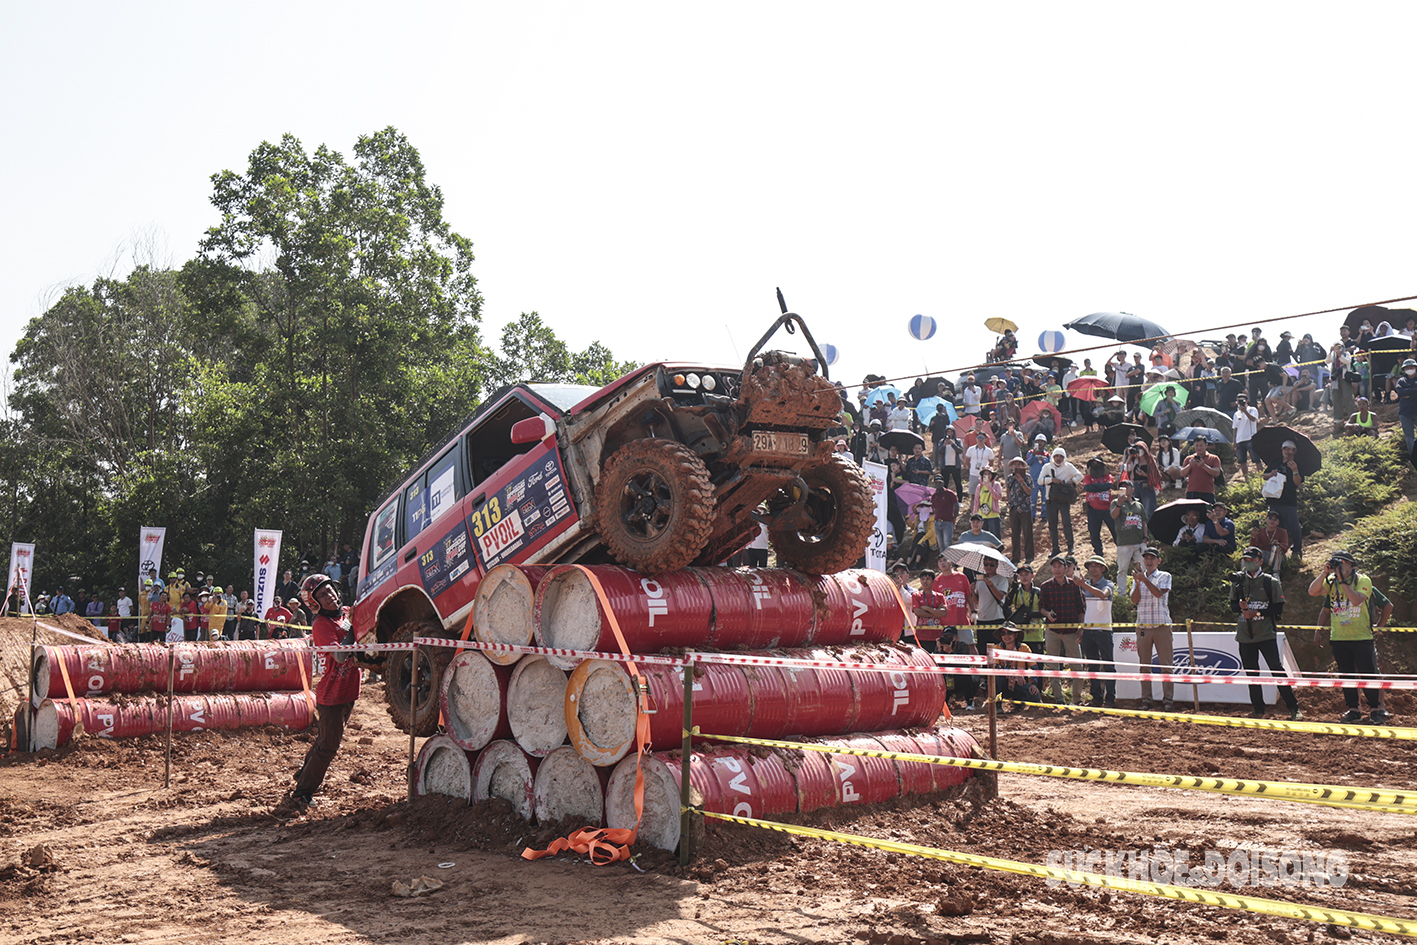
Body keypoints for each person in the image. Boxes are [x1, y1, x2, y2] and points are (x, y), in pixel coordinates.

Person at [274, 575, 366, 819]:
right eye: (324, 595)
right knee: (328, 746)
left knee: (325, 739)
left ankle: (303, 773)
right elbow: (338, 655)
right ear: (315, 603)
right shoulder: (321, 625)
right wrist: (350, 624)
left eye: (331, 591)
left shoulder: (346, 612)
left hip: (348, 691)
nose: (331, 596)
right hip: (332, 696)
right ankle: (302, 792)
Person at [1307, 550, 1387, 723]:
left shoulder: (1363, 580)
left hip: (1362, 637)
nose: (1339, 565)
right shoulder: (1331, 581)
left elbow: (1357, 599)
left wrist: (1342, 581)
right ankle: (1353, 709)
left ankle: (1375, 709)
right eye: (1336, 561)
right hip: (1339, 637)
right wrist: (1324, 572)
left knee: (1368, 674)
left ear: (1352, 565)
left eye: (1342, 562)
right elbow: (1312, 592)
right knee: (1346, 675)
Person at [1231, 547, 1301, 720]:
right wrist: (1240, 607)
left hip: (1266, 634)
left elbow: (1278, 609)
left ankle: (1293, 708)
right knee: (1251, 672)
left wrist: (1256, 613)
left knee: (1277, 670)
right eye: (1246, 560)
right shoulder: (1238, 581)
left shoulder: (1271, 582)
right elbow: (1232, 606)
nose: (1248, 563)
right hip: (1245, 635)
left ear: (1260, 561)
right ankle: (1258, 708)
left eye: (1252, 560)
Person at [1129, 546, 1175, 711]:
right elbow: (1134, 600)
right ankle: (1146, 700)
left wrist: (1144, 580)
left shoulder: (1164, 576)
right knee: (1144, 666)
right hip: (1143, 626)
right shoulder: (1138, 578)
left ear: (1158, 561)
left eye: (1152, 558)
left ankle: (1168, 700)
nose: (1149, 561)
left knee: (1166, 665)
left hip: (1162, 626)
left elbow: (1158, 593)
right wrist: (1137, 582)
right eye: (1146, 558)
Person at [931, 557, 978, 711]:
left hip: (962, 620)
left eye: (945, 560)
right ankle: (950, 693)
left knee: (970, 647)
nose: (942, 563)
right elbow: (936, 603)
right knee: (945, 655)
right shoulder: (937, 581)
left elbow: (969, 595)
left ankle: (978, 676)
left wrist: (974, 611)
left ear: (951, 562)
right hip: (946, 623)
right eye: (940, 561)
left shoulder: (961, 577)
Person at [1039, 554, 1085, 704]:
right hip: (1052, 631)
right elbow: (1041, 608)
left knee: (1077, 666)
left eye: (1060, 566)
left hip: (1071, 632)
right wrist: (1047, 614)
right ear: (1051, 568)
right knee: (1053, 667)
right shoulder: (1045, 586)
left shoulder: (1074, 585)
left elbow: (1081, 608)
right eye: (1054, 566)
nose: (1057, 569)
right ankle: (1059, 700)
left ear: (1066, 568)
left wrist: (1081, 627)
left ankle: (1076, 700)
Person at [1079, 556, 1116, 708]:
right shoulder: (1085, 585)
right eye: (1091, 566)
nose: (1093, 568)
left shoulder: (1108, 584)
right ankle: (1096, 698)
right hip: (1088, 630)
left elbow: (1103, 594)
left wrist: (1083, 585)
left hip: (1103, 630)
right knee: (1093, 665)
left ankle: (1110, 699)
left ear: (1103, 569)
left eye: (1097, 566)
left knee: (1108, 665)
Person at [1263, 439, 1305, 561]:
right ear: (1282, 450)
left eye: (1290, 449)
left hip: (1289, 500)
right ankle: (1280, 550)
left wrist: (1295, 470)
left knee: (1293, 526)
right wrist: (1272, 473)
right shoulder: (1275, 462)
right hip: (1274, 499)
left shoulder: (1297, 464)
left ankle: (1297, 549)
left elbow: (1297, 483)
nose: (1287, 451)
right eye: (1285, 448)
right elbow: (1264, 476)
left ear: (1294, 451)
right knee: (1278, 527)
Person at [1038, 447, 1082, 558]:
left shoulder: (1068, 467)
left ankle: (1070, 546)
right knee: (1052, 525)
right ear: (1053, 457)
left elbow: (1080, 476)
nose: (1058, 459)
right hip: (1051, 500)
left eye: (1061, 457)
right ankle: (1055, 548)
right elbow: (1040, 481)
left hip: (1063, 500)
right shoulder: (1047, 467)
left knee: (1067, 523)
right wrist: (1052, 480)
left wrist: (1071, 481)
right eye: (1056, 456)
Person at [1110, 479, 1147, 579]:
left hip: (1138, 542)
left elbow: (1144, 522)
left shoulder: (1139, 505)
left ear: (1133, 489)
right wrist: (1119, 504)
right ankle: (1121, 593)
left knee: (1143, 569)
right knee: (1122, 569)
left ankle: (1142, 590)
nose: (1125, 489)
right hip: (1124, 542)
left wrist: (1145, 537)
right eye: (1122, 487)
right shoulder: (1115, 502)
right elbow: (1113, 516)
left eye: (1127, 487)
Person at [1081, 458, 1116, 558]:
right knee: (1094, 533)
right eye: (1093, 465)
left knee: (1115, 531)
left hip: (1108, 509)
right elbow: (1088, 488)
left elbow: (1109, 485)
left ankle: (1122, 549)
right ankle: (1098, 553)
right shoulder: (1087, 477)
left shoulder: (1108, 476)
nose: (1096, 467)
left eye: (1098, 464)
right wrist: (1101, 486)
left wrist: (1095, 486)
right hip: (1093, 509)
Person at [973, 557, 1010, 650]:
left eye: (992, 564)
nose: (989, 567)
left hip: (996, 618)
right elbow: (977, 602)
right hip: (982, 619)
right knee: (982, 650)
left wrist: (991, 585)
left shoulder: (1001, 579)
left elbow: (1000, 597)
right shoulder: (979, 580)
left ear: (997, 565)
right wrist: (972, 591)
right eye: (986, 564)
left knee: (997, 650)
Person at [1005, 457, 1035, 565]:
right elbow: (1008, 490)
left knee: (1027, 533)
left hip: (1025, 508)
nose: (1017, 466)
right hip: (1014, 508)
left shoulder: (1027, 477)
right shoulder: (1010, 478)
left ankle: (1029, 556)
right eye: (1015, 464)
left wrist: (1022, 482)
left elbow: (1029, 492)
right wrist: (1008, 502)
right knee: (1015, 534)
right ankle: (1015, 557)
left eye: (1019, 464)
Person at [1180, 434, 1223, 504]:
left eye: (1201, 445)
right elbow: (1182, 473)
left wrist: (1203, 466)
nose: (1199, 448)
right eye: (1196, 445)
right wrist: (1189, 465)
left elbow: (1216, 473)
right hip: (1192, 491)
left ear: (1206, 445)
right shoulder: (1189, 458)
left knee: (1209, 513)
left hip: (1208, 492)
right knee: (1192, 514)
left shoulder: (1214, 458)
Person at [1250, 510, 1290, 574]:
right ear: (1266, 520)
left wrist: (1278, 544)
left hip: (1277, 557)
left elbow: (1285, 548)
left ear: (1278, 522)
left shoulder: (1282, 532)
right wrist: (1253, 537)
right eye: (1270, 518)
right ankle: (1246, 573)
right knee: (1247, 552)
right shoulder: (1261, 531)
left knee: (1277, 548)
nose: (1272, 521)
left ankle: (1276, 573)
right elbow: (1253, 548)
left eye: (1275, 519)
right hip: (1263, 555)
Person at [1232, 392, 1260, 479]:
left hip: (1251, 438)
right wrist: (1234, 441)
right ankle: (1246, 480)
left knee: (1256, 460)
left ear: (1247, 401)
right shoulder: (1236, 414)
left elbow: (1253, 419)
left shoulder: (1252, 409)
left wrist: (1245, 411)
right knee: (1242, 461)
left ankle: (1261, 478)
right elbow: (1235, 428)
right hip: (1240, 439)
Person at [972, 468, 1003, 540]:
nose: (987, 476)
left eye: (989, 474)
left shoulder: (996, 485)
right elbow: (976, 501)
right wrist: (974, 514)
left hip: (993, 515)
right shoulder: (979, 487)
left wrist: (989, 487)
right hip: (982, 516)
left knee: (995, 538)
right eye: (985, 474)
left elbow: (998, 497)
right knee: (983, 538)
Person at [929, 476, 959, 552]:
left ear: (943, 483)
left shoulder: (949, 493)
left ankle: (948, 561)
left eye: (940, 482)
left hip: (948, 522)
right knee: (940, 545)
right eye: (937, 483)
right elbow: (934, 509)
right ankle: (942, 560)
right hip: (937, 522)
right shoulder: (934, 496)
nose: (938, 484)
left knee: (947, 543)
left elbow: (956, 506)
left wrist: (954, 518)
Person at [1396, 358, 1417, 462]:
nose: (1410, 369)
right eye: (1407, 367)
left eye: (1412, 367)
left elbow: (1406, 393)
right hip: (1405, 412)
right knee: (1409, 437)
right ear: (1404, 369)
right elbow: (1400, 393)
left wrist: (1409, 393)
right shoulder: (1401, 381)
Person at [1026, 434, 1050, 520]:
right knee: (1033, 499)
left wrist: (1043, 460)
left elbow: (1050, 465)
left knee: (1045, 498)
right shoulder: (1030, 452)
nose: (1040, 443)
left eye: (1042, 442)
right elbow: (1028, 462)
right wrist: (1033, 455)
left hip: (1044, 479)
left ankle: (1044, 515)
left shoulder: (1047, 454)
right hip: (1034, 479)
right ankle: (1032, 515)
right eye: (1038, 441)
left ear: (1045, 443)